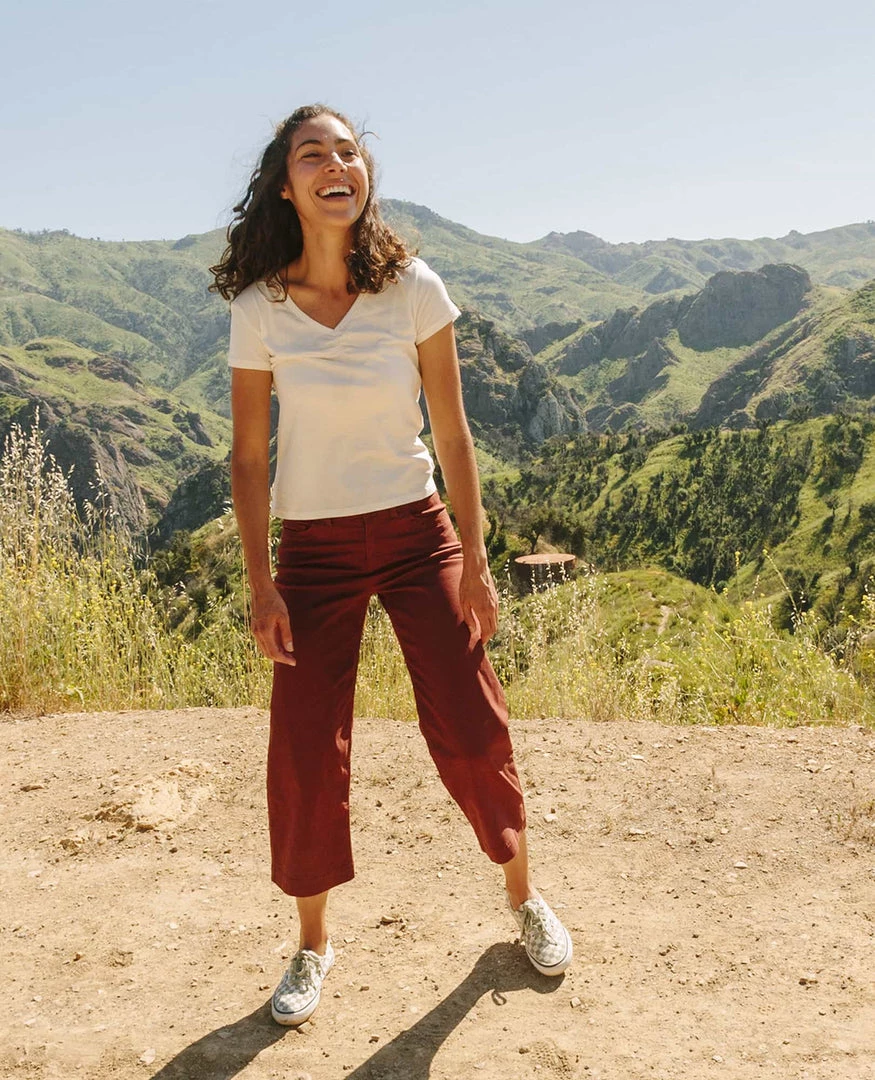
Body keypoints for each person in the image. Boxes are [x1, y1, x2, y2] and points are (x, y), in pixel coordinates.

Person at [210, 103, 572, 1027]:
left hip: (418, 535)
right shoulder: (259, 311)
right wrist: (261, 583)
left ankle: (524, 900)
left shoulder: (412, 286)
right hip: (314, 550)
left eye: (347, 151)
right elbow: (250, 458)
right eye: (311, 154)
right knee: (303, 746)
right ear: (284, 184)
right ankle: (311, 945)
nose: (335, 163)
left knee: (470, 718)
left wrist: (478, 557)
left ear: (363, 173)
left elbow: (452, 432)